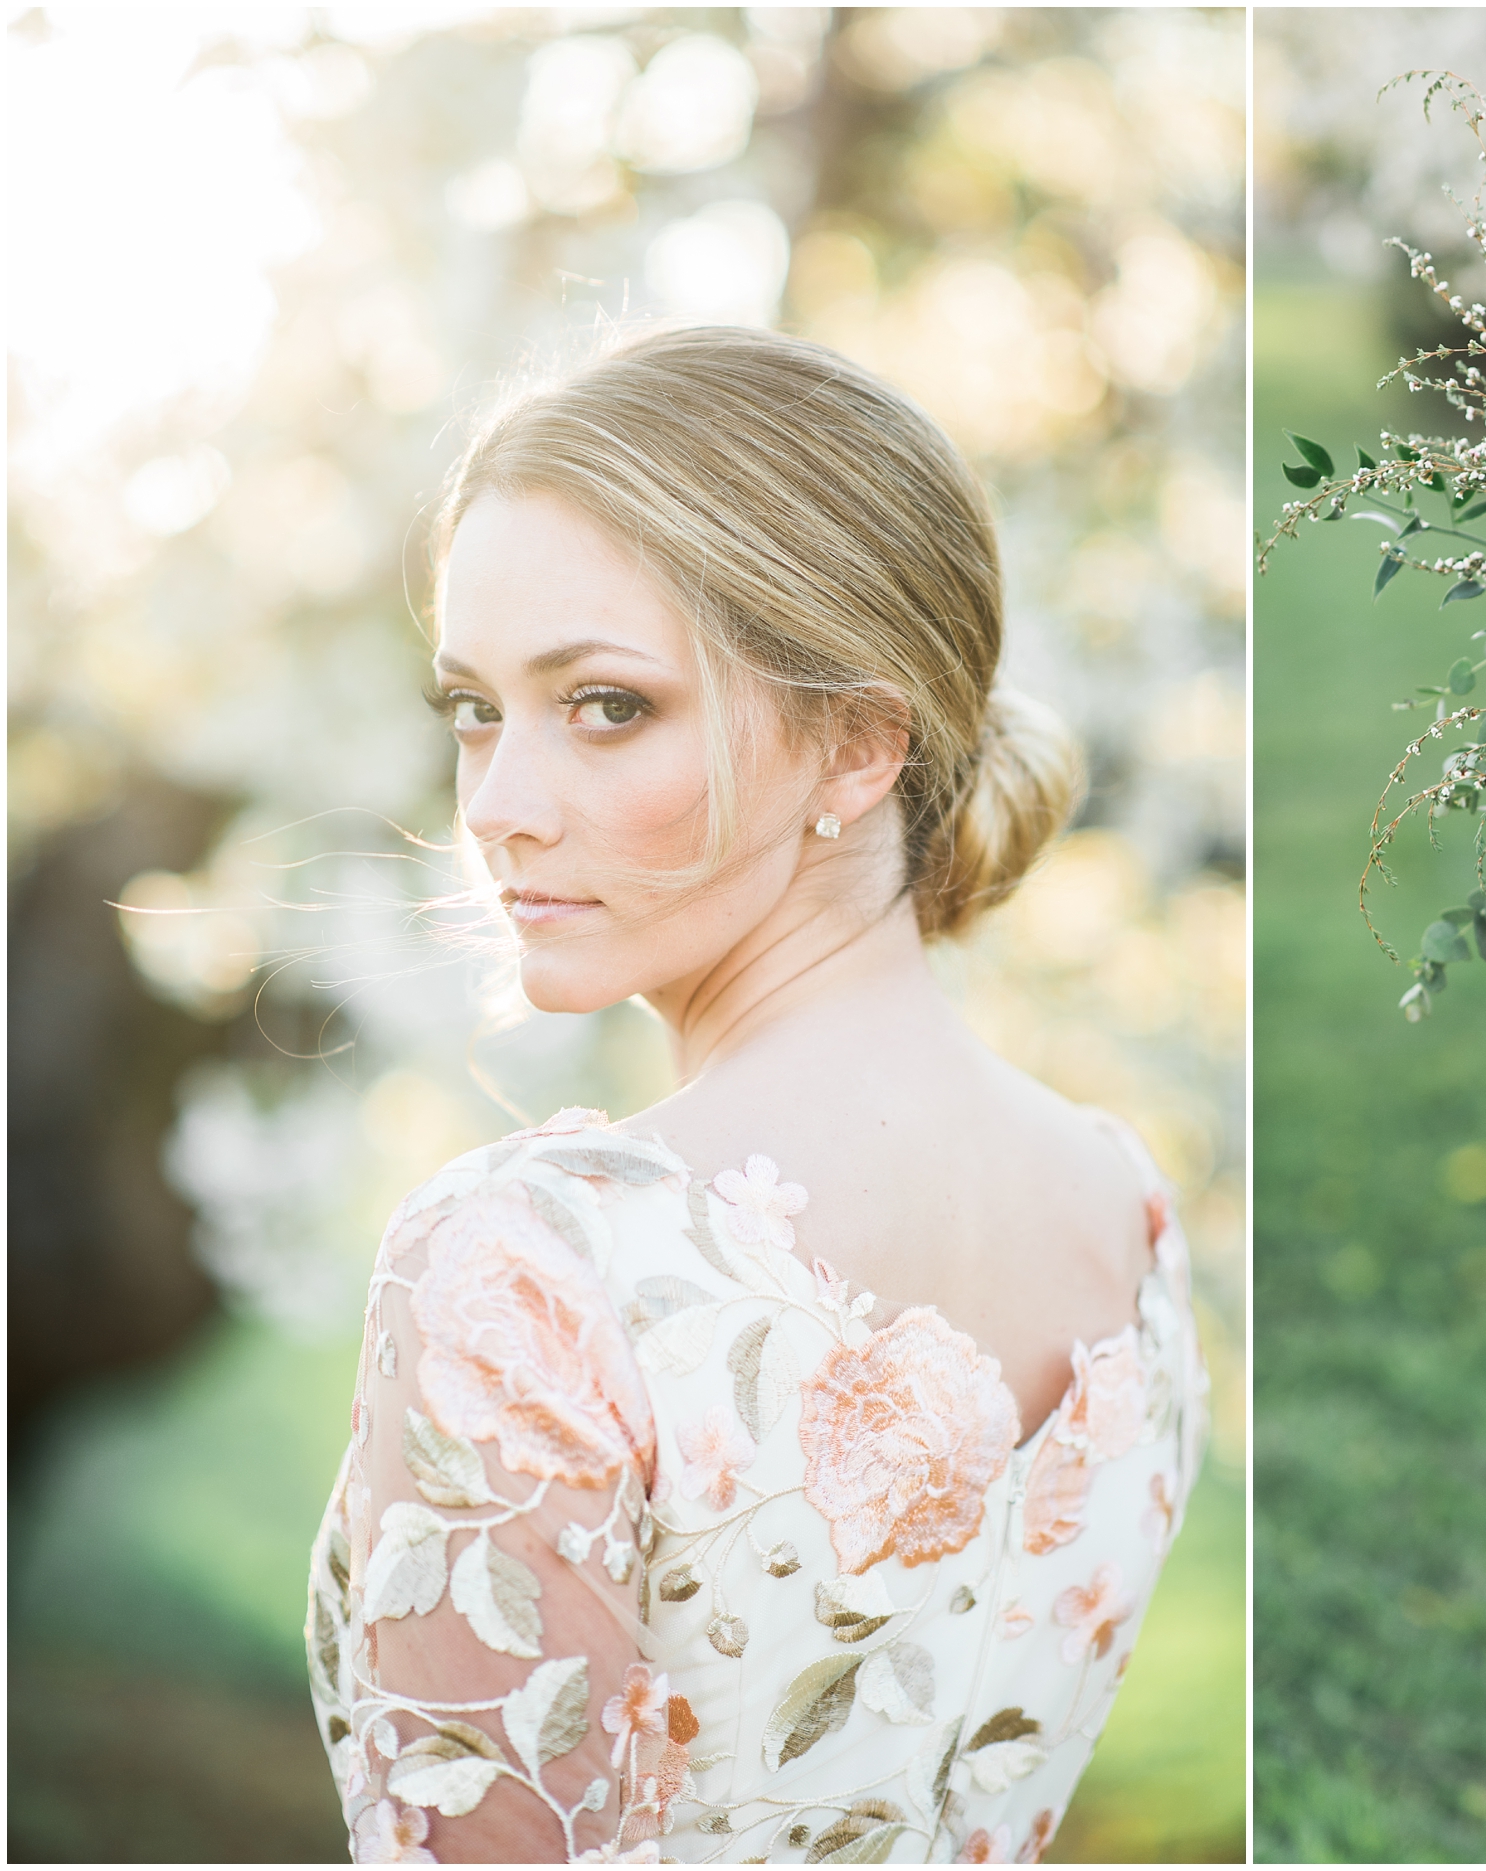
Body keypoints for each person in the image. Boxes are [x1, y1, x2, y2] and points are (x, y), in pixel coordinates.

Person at [304, 327, 1208, 1864]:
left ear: (857, 743)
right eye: (474, 706)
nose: (498, 808)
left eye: (604, 707)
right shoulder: (1127, 1209)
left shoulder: (528, 1263)